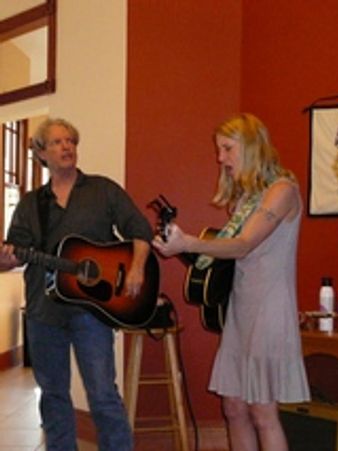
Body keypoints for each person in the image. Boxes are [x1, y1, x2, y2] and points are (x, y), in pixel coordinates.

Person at [153, 113, 310, 451]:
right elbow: (227, 254)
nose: (220, 158)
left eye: (226, 148)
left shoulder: (282, 190)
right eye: (219, 150)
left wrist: (189, 243)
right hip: (240, 310)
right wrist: (181, 248)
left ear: (251, 147)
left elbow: (243, 245)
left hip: (269, 312)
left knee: (263, 413)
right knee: (234, 408)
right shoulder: (245, 199)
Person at [0, 118, 153, 450]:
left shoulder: (102, 190)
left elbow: (140, 229)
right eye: (57, 142)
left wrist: (138, 268)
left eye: (71, 140)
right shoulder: (30, 204)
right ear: (41, 152)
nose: (67, 146)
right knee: (53, 395)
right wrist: (7, 257)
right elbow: (14, 255)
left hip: (93, 311)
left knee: (102, 395)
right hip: (43, 310)